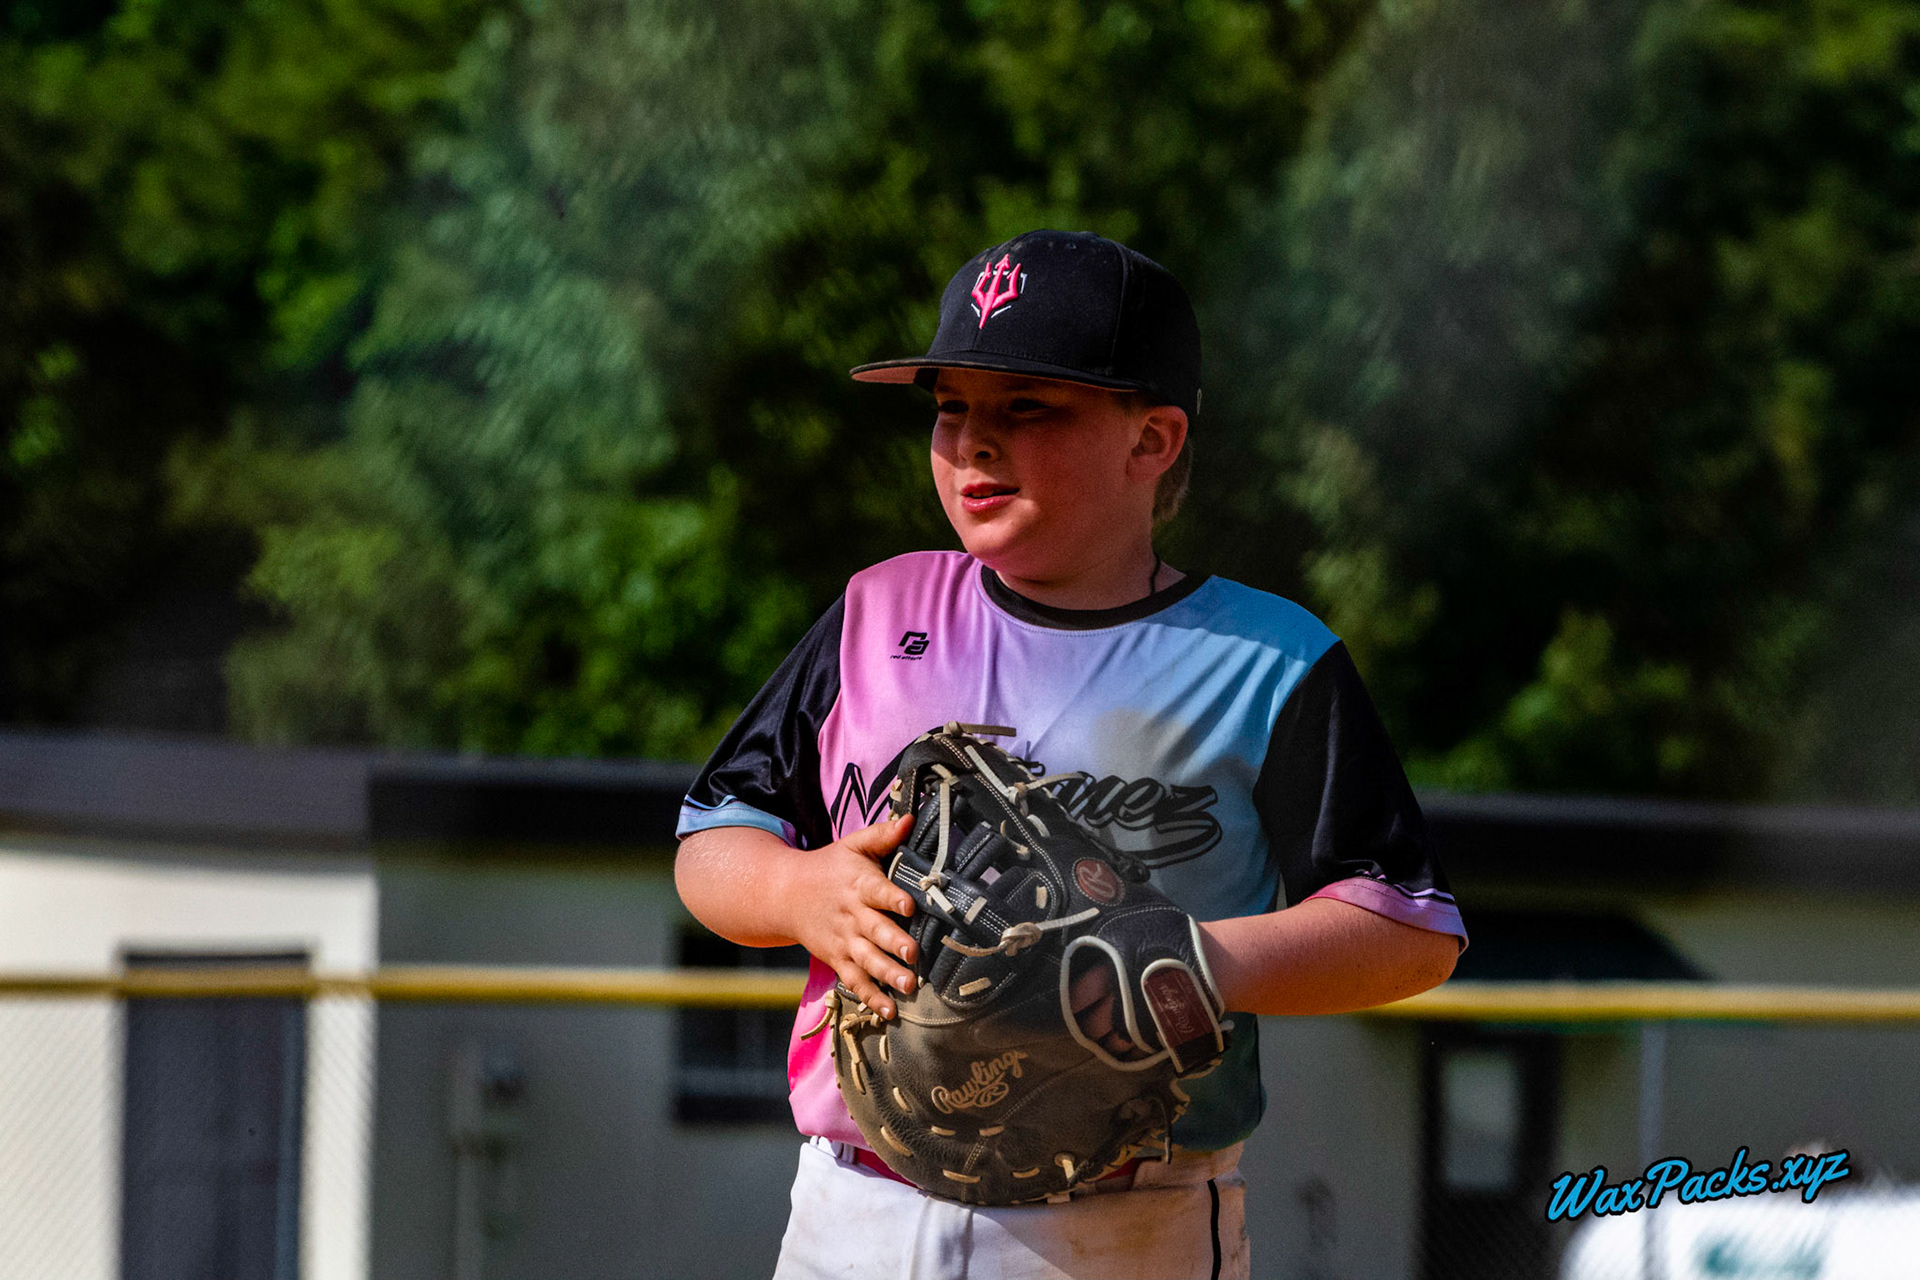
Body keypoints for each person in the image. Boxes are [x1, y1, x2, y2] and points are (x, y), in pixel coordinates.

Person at [674, 229, 1467, 1280]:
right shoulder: (879, 610)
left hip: (1119, 1224)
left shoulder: (1265, 659)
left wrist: (1204, 961)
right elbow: (711, 838)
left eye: (1027, 407)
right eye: (952, 406)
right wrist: (798, 887)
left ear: (1153, 439)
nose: (973, 443)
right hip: (851, 1205)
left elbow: (1408, 927)